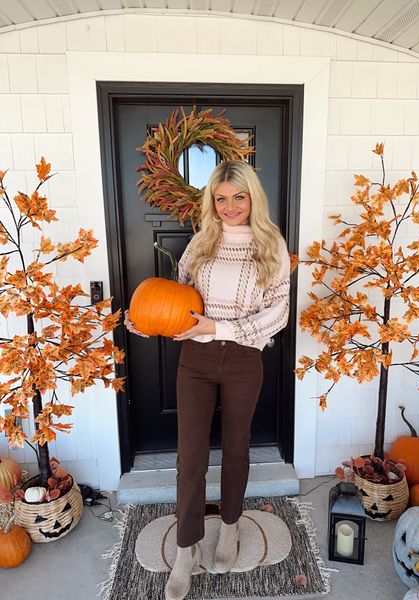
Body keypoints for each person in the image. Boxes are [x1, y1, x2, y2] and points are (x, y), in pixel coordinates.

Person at [125, 159, 291, 600]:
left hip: (242, 359)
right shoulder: (201, 242)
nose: (230, 206)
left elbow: (277, 314)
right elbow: (181, 299)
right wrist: (147, 322)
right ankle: (186, 549)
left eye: (239, 196)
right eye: (221, 198)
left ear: (253, 196)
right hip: (194, 361)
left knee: (236, 449)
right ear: (211, 202)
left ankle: (231, 528)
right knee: (190, 456)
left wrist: (217, 329)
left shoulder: (271, 245)